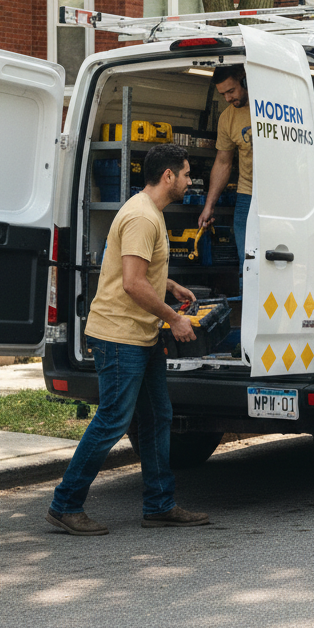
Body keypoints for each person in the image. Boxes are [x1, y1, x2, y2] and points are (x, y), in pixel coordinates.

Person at [47, 143, 209, 536]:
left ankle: (159, 505)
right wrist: (174, 320)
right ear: (168, 176)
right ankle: (65, 504)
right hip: (120, 335)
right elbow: (133, 283)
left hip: (140, 333)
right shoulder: (141, 217)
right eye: (186, 174)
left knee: (157, 417)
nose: (189, 181)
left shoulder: (147, 212)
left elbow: (136, 272)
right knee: (113, 420)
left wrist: (168, 284)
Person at [198, 65, 252, 283]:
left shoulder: (271, 108)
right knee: (247, 262)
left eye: (231, 91)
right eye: (223, 94)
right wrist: (209, 205)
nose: (228, 98)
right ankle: (247, 313)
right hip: (247, 196)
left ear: (245, 81)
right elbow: (222, 163)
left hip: (281, 194)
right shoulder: (227, 119)